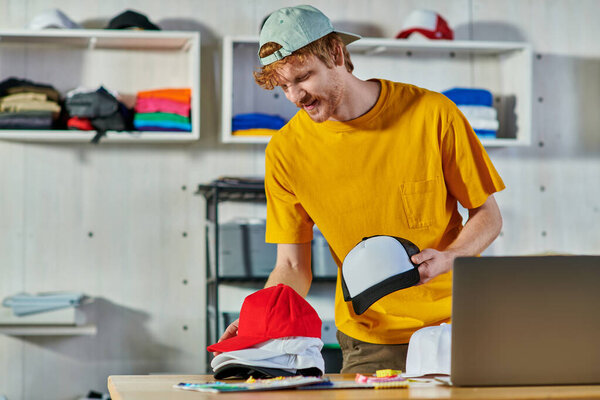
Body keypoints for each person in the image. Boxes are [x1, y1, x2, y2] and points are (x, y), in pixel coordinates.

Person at [216, 5, 504, 373]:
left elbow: (488, 216)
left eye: (303, 77)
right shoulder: (286, 151)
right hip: (370, 340)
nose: (294, 96)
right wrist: (261, 318)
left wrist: (450, 257)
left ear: (336, 53)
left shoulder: (433, 114)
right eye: (284, 86)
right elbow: (291, 265)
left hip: (458, 325)